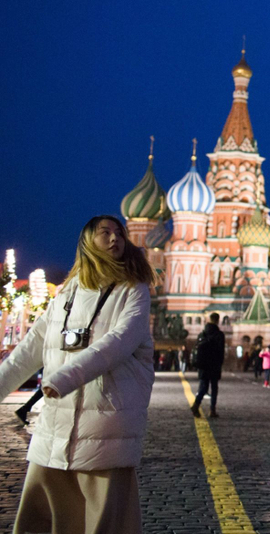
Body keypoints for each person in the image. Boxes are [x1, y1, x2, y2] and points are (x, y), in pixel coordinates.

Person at [0, 214, 155, 533]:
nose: (115, 239)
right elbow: (31, 349)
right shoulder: (67, 291)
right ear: (87, 242)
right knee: (41, 520)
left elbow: (118, 344)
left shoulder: (133, 290)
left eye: (119, 234)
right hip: (55, 429)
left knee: (99, 521)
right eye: (105, 233)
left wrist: (63, 378)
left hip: (105, 428)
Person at [190, 312, 226, 418]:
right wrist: (220, 363)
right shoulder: (219, 334)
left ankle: (196, 405)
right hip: (214, 365)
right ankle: (212, 410)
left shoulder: (202, 334)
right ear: (217, 320)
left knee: (203, 387)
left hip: (203, 365)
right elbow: (221, 351)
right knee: (214, 388)